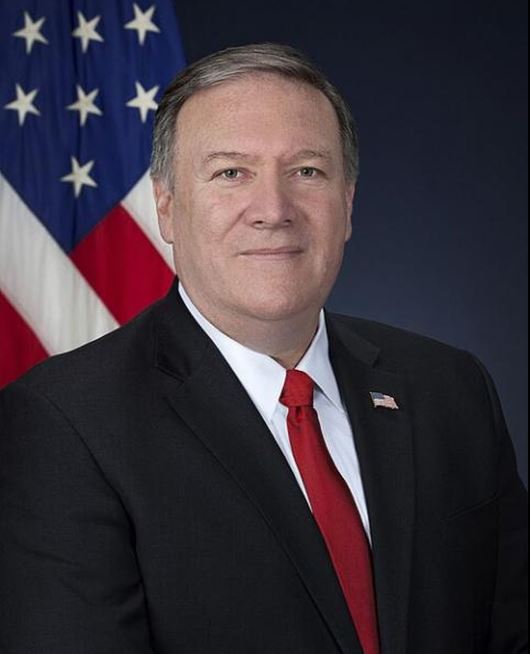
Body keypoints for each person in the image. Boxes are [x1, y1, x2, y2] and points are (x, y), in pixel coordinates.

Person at [0, 43, 527, 654]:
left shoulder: (449, 388)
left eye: (307, 171)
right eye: (231, 173)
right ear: (166, 206)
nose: (273, 210)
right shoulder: (66, 423)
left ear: (347, 203)